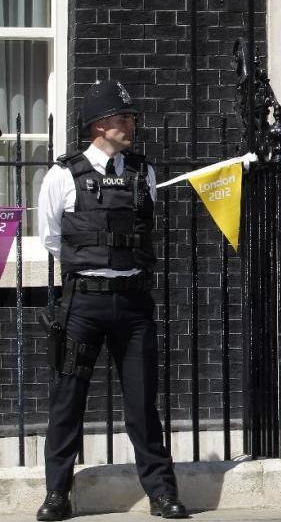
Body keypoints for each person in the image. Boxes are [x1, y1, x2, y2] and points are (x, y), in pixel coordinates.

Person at [35, 80, 187, 521]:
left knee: (143, 404)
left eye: (132, 118)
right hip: (83, 304)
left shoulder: (144, 172)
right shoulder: (63, 175)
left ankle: (161, 494)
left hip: (134, 305)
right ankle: (57, 494)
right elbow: (51, 239)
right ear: (100, 125)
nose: (131, 124)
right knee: (69, 400)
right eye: (124, 118)